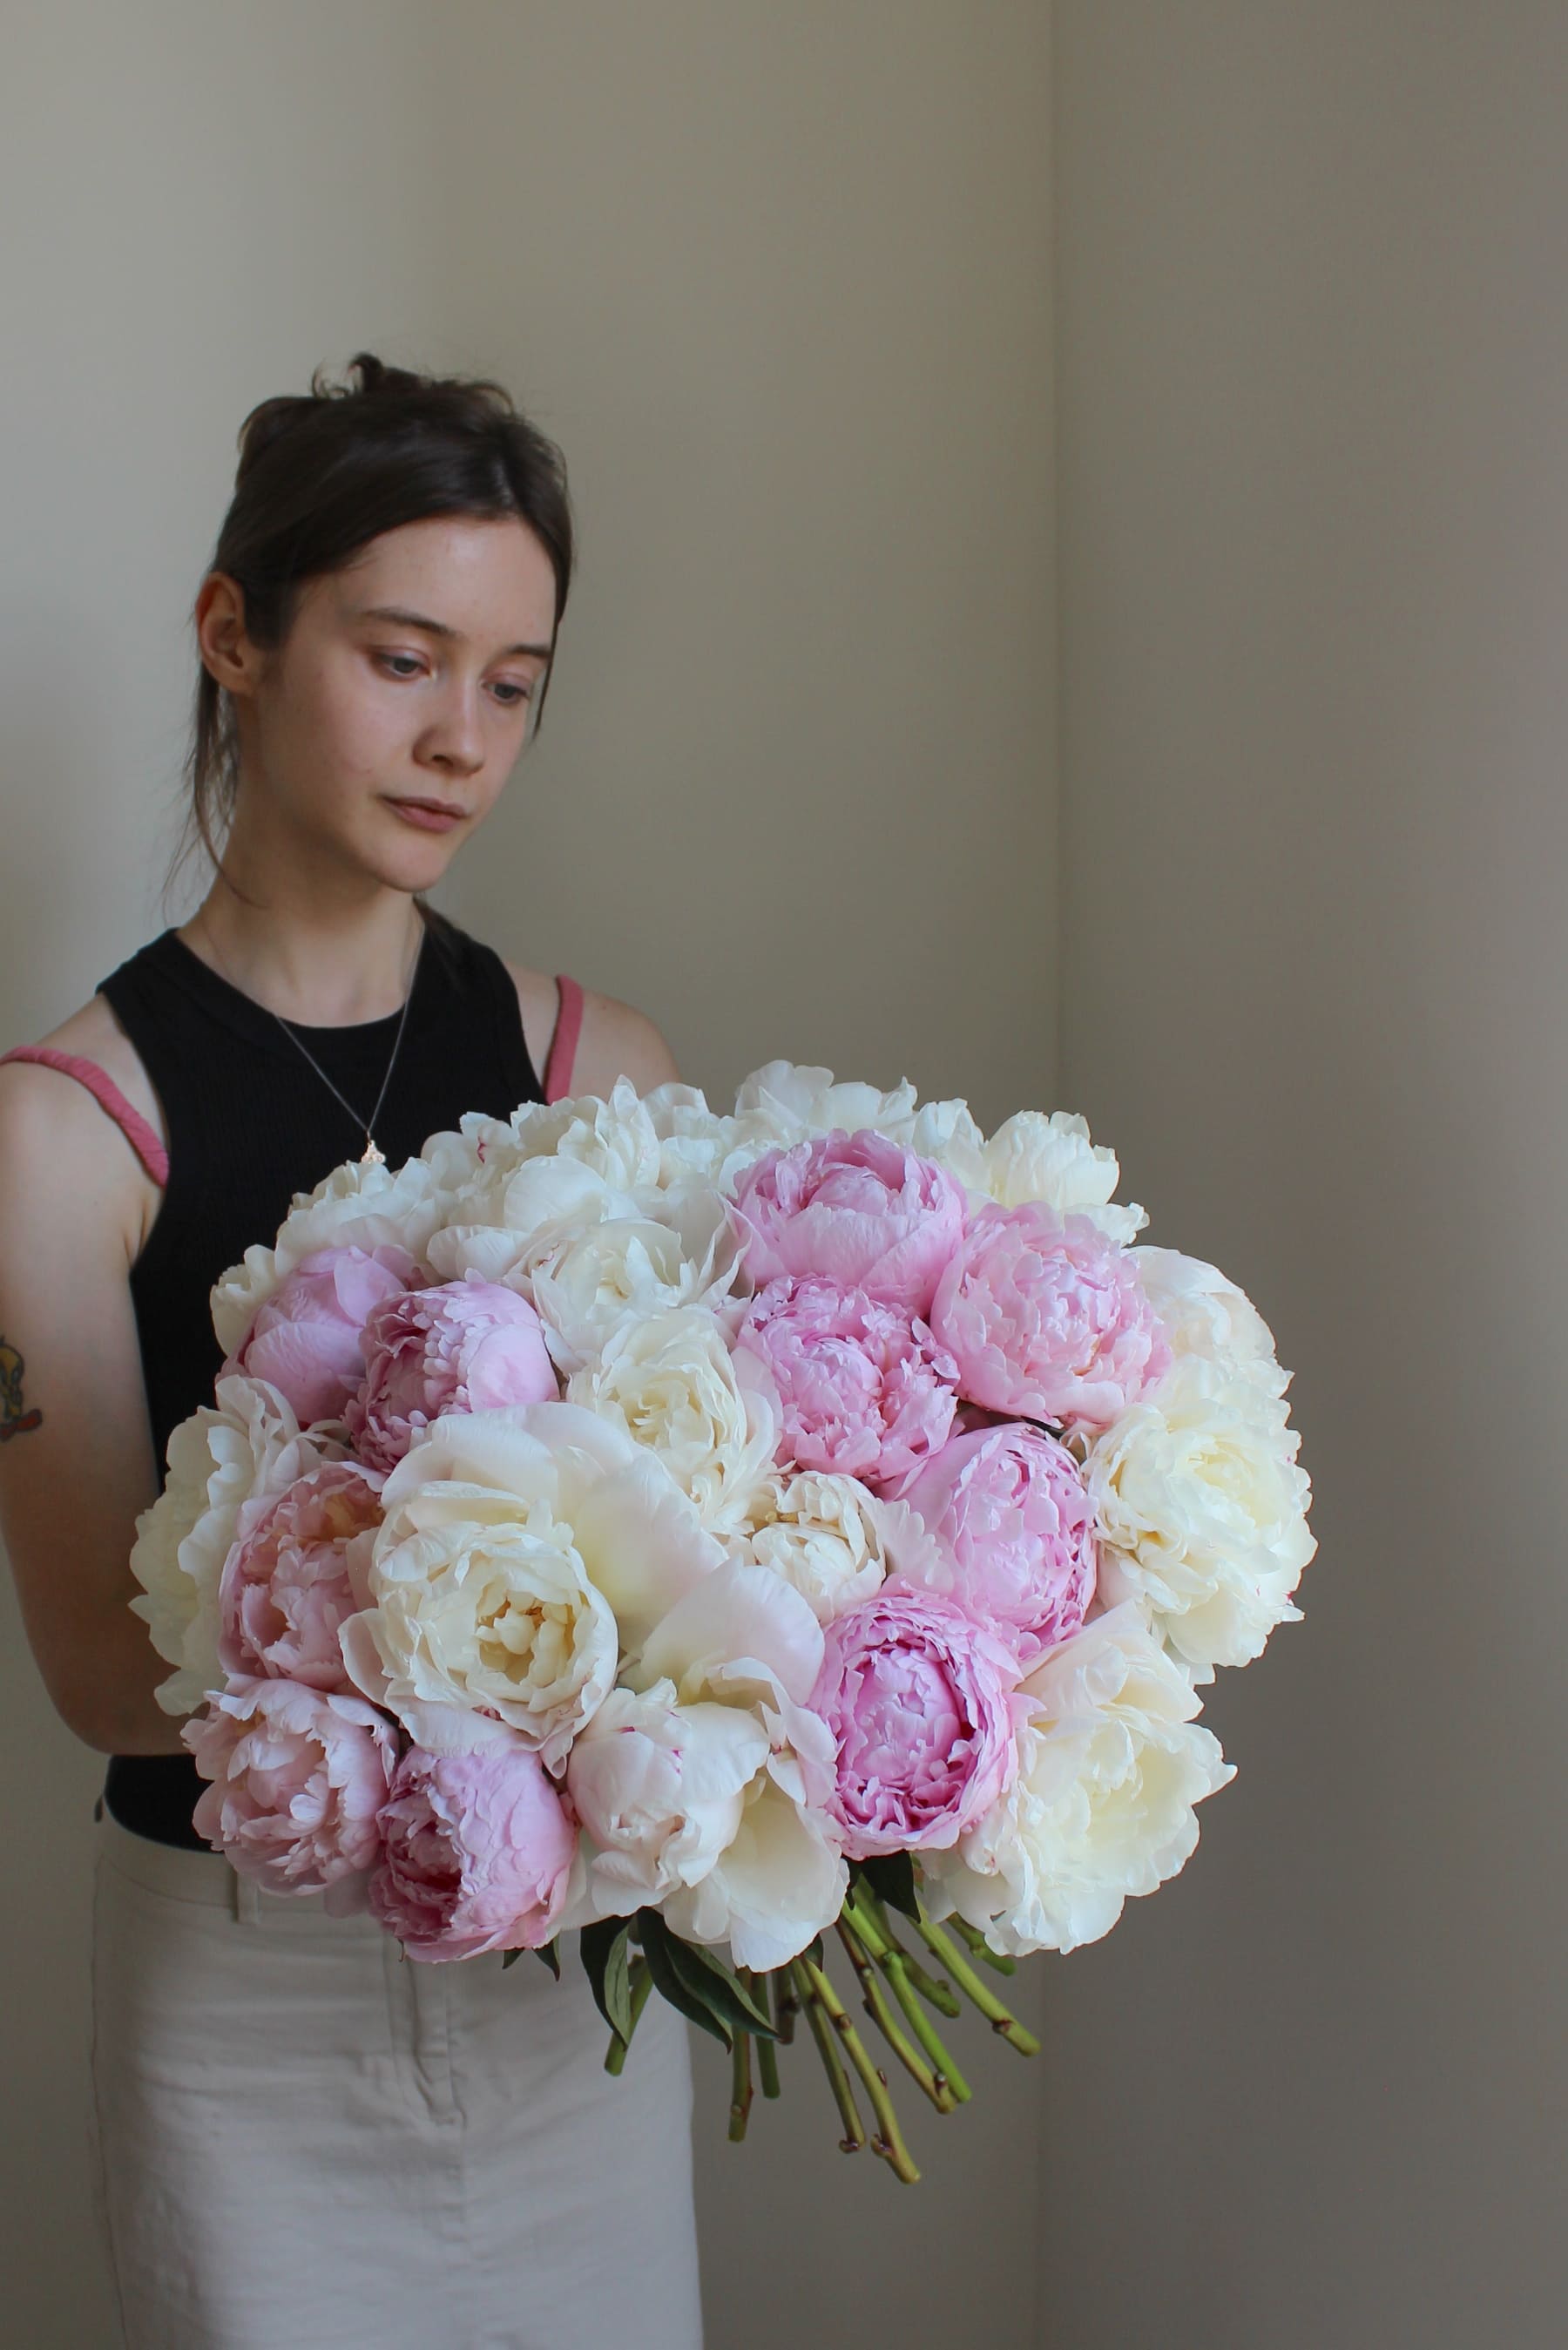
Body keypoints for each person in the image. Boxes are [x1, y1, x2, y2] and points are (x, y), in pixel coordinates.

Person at [0, 355, 705, 2349]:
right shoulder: (62, 1134)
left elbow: (701, 1554)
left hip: (561, 1974)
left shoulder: (601, 1074)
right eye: (402, 658)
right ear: (235, 632)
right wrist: (518, 1631)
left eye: (513, 683)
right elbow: (109, 1676)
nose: (461, 736)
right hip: (249, 1999)